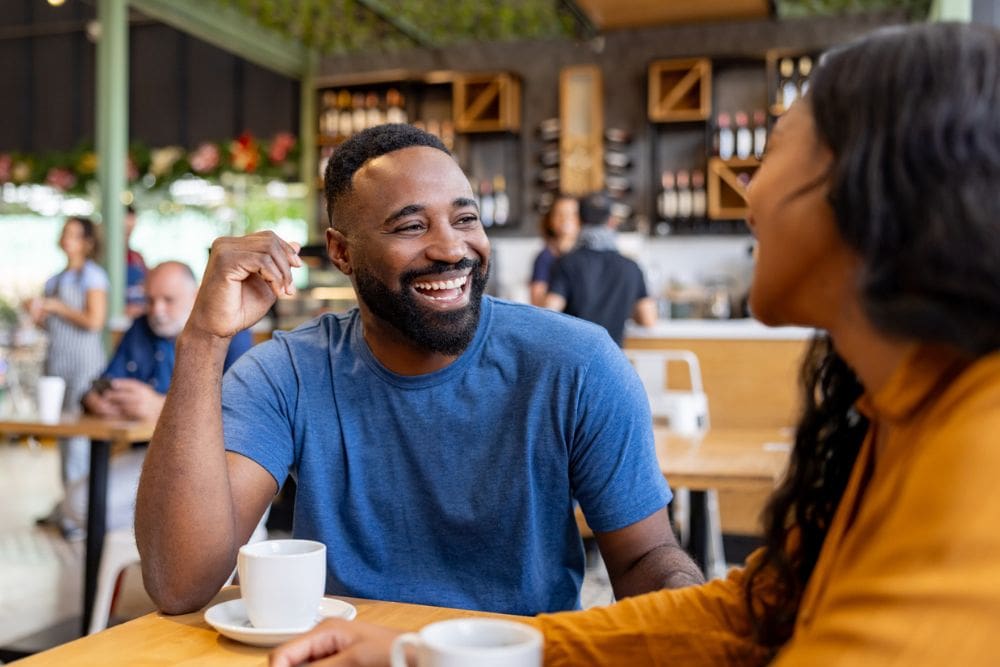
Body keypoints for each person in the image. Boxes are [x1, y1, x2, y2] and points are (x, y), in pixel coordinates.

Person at [269, 22, 1000, 667]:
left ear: (875, 189)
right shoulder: (897, 419)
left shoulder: (979, 458)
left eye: (774, 155)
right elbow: (744, 616)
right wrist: (439, 651)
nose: (745, 194)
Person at [135, 123, 703, 617]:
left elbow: (645, 557)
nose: (451, 248)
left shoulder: (577, 363)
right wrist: (204, 339)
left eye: (465, 218)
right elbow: (181, 583)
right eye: (411, 227)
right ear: (341, 252)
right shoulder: (288, 372)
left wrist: (693, 612)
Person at [58, 261, 253, 534]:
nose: (157, 310)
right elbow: (100, 384)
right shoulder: (139, 328)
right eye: (150, 300)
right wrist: (95, 400)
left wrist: (162, 407)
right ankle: (161, 539)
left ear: (196, 295)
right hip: (152, 457)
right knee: (78, 504)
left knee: (234, 520)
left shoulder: (232, 332)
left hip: (216, 462)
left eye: (168, 300)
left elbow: (242, 417)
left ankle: (172, 538)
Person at [28, 216, 108, 539]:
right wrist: (40, 316)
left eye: (74, 235)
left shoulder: (93, 276)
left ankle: (80, 514)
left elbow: (94, 321)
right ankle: (68, 504)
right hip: (56, 363)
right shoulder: (55, 279)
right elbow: (52, 326)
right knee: (61, 436)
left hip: (84, 366)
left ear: (87, 241)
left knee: (77, 441)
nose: (67, 239)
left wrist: (58, 308)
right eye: (65, 234)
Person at [545, 191, 656, 346]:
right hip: (614, 365)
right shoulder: (631, 268)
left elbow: (548, 316)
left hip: (576, 364)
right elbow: (648, 320)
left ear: (579, 221)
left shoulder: (566, 263)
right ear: (612, 222)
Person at [529, 195, 580, 307]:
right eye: (559, 214)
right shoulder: (544, 258)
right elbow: (537, 303)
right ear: (551, 220)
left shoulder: (587, 256)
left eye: (572, 214)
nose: (565, 219)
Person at [124, 205, 149, 319]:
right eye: (124, 230)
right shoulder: (101, 259)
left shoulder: (137, 257)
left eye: (131, 230)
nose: (128, 234)